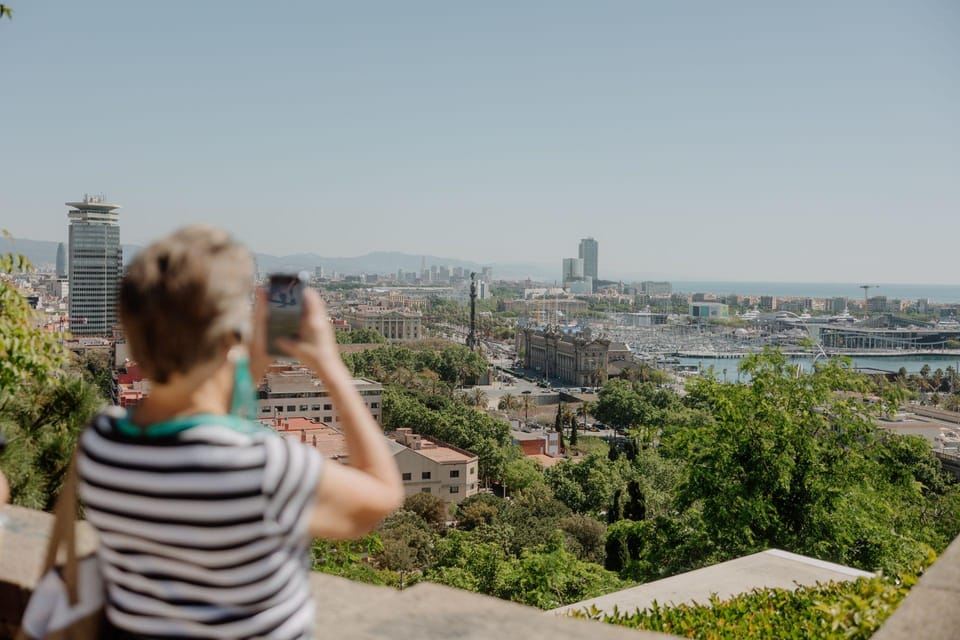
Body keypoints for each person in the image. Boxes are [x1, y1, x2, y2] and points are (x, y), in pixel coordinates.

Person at [76, 226, 403, 639]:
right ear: (232, 338)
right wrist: (331, 367)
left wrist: (253, 351)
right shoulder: (262, 465)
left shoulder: (101, 442)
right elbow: (380, 497)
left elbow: (203, 418)